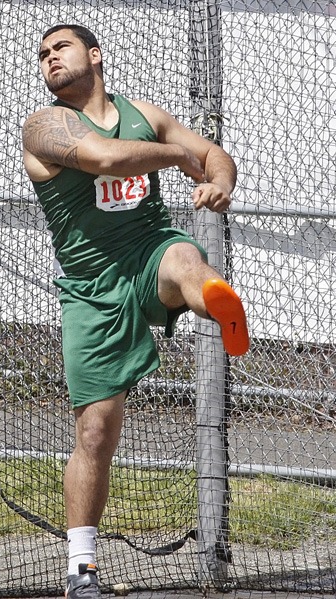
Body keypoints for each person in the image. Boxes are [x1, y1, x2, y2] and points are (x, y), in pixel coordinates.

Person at [22, 23, 249, 599]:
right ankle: (81, 568)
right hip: (92, 286)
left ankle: (218, 307)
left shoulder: (143, 113)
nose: (50, 58)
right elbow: (104, 159)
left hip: (147, 252)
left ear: (95, 55)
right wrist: (176, 154)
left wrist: (219, 182)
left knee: (180, 255)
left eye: (61, 48)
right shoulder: (45, 125)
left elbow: (214, 155)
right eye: (43, 54)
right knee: (96, 433)